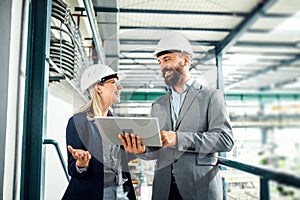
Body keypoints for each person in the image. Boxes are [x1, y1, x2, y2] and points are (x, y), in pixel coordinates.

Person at [120, 33, 234, 200]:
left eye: (167, 59)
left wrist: (179, 139)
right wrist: (142, 151)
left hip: (199, 187)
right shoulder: (158, 105)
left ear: (186, 61)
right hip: (164, 189)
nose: (162, 67)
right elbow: (156, 150)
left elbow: (225, 140)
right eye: (159, 62)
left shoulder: (211, 96)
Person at [62, 64, 137, 200]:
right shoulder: (78, 122)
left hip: (121, 192)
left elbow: (119, 160)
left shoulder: (116, 122)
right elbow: (73, 169)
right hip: (95, 194)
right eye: (113, 82)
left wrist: (135, 150)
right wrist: (82, 164)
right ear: (98, 88)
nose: (120, 87)